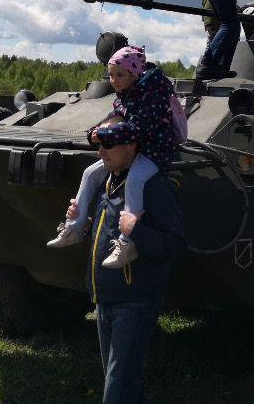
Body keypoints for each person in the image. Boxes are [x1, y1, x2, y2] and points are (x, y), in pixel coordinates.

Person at [65, 121, 185, 404]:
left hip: (134, 302)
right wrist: (85, 225)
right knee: (123, 384)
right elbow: (110, 231)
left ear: (131, 145)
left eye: (108, 145)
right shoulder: (108, 180)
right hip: (105, 297)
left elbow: (176, 246)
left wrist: (137, 231)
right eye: (99, 145)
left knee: (117, 389)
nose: (100, 153)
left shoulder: (154, 187)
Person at [47, 46, 180, 269]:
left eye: (119, 75)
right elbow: (113, 119)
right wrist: (95, 132)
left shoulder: (152, 96)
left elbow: (138, 128)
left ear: (134, 75)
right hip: (134, 150)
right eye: (110, 75)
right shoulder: (125, 97)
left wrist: (105, 135)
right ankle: (75, 226)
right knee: (90, 172)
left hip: (156, 151)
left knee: (134, 180)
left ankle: (127, 241)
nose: (113, 80)